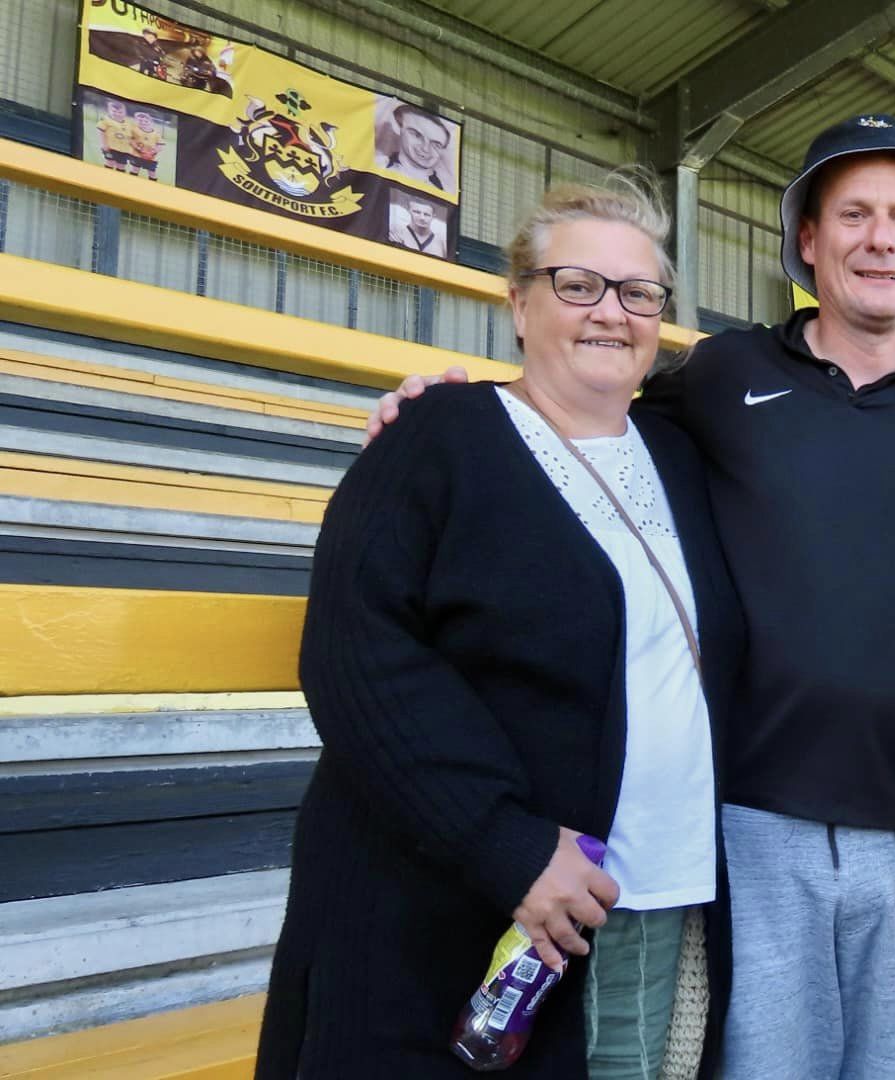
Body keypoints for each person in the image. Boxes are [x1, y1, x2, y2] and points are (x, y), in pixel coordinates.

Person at [365, 114, 895, 1079]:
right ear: (808, 241)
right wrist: (454, 406)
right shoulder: (725, 375)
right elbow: (577, 423)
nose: (879, 238)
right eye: (852, 214)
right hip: (755, 824)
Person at [258, 177, 743, 1078]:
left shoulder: (680, 455)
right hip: (454, 914)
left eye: (639, 293)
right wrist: (505, 843)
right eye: (578, 285)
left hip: (653, 906)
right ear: (518, 302)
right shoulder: (439, 435)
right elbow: (355, 657)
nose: (612, 312)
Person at [387, 102, 454, 190]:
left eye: (436, 145)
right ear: (398, 128)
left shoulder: (444, 188)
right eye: (417, 135)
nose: (425, 149)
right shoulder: (381, 168)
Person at [96, 98, 137, 174]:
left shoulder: (129, 123)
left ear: (125, 112)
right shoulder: (106, 120)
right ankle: (105, 178)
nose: (117, 114)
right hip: (111, 147)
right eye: (114, 111)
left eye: (120, 112)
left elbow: (132, 137)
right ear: (109, 111)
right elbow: (101, 131)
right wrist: (104, 144)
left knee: (121, 166)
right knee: (110, 162)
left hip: (124, 150)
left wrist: (133, 148)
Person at [127, 111, 165, 181]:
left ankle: (153, 186)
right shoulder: (134, 130)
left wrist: (152, 152)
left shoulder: (156, 134)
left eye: (146, 121)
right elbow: (130, 140)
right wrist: (139, 149)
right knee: (135, 169)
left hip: (150, 157)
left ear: (151, 122)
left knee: (152, 173)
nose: (143, 123)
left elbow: (160, 146)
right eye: (140, 121)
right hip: (137, 155)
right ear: (136, 121)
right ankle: (131, 183)